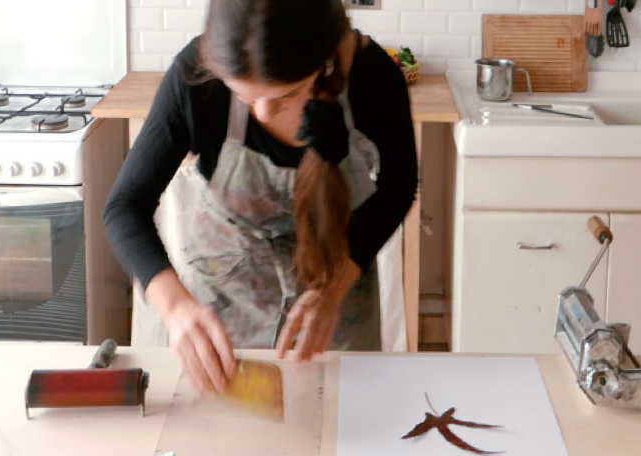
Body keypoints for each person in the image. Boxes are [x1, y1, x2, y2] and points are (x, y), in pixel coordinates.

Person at [103, 0, 417, 394]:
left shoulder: (373, 77)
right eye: (247, 98)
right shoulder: (195, 76)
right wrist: (176, 307)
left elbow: (399, 188)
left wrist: (334, 290)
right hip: (223, 310)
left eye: (287, 94)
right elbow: (125, 206)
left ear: (324, 61)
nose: (265, 114)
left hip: (333, 309)